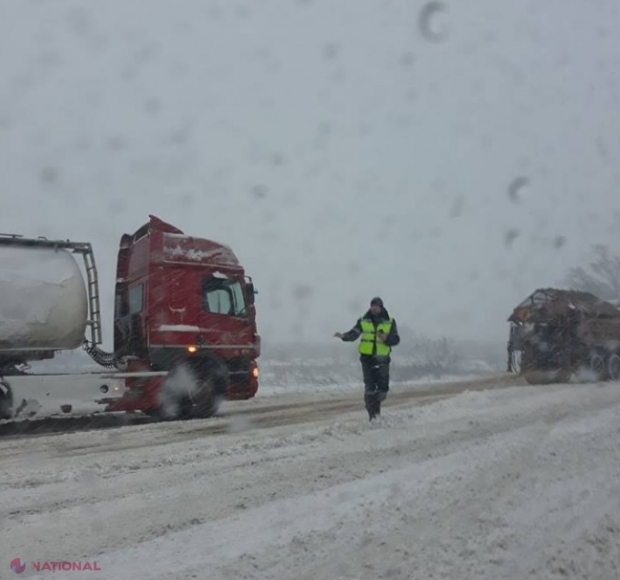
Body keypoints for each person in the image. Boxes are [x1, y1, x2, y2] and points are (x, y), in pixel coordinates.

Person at [334, 297, 400, 420]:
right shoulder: (364, 320)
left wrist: (386, 339)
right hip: (367, 359)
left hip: (382, 360)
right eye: (372, 305)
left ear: (381, 307)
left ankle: (376, 411)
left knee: (382, 390)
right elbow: (354, 333)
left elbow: (395, 339)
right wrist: (343, 336)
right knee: (369, 388)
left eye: (376, 306)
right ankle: (373, 416)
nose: (374, 308)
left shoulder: (390, 321)